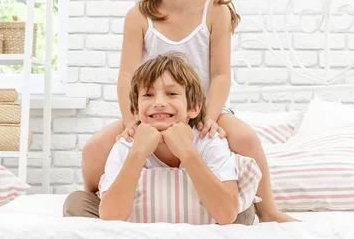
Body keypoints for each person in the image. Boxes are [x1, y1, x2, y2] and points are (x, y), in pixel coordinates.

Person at [80, 0, 296, 223]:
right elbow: (127, 76)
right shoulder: (139, 16)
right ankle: (97, 197)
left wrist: (209, 118)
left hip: (203, 107)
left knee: (246, 139)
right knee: (94, 148)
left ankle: (269, 210)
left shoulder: (215, 11)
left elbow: (220, 75)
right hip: (153, 108)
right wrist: (132, 121)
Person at [63, 53, 256, 225]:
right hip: (127, 205)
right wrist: (138, 153)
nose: (159, 103)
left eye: (172, 94)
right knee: (77, 203)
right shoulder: (126, 143)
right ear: (136, 111)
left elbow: (226, 214)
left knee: (242, 212)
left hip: (216, 210)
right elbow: (111, 217)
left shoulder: (210, 141)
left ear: (194, 108)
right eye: (148, 95)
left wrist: (188, 153)